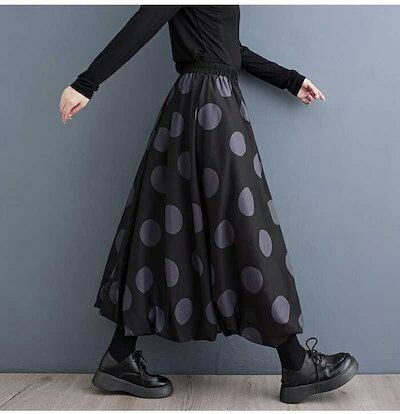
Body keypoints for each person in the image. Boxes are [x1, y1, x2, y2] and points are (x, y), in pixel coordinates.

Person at [59, 5, 358, 404]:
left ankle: (119, 356)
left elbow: (228, 48)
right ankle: (295, 362)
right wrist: (86, 83)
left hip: (207, 103)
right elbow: (145, 21)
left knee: (168, 228)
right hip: (210, 106)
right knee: (247, 226)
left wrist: (289, 79)